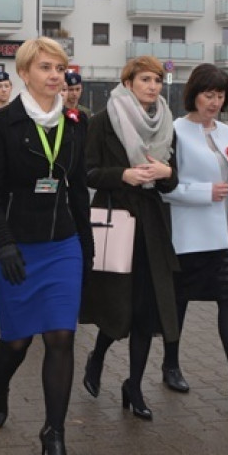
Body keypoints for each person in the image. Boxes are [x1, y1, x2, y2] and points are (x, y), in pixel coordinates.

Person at [0, 37, 93, 455]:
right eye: (46, 68)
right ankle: (0, 385)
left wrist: (87, 250)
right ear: (24, 73)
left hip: (61, 245)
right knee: (18, 341)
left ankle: (54, 434)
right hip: (14, 246)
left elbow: (78, 190)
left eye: (60, 69)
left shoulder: (77, 123)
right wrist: (3, 242)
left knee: (61, 337)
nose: (55, 76)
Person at [160, 64, 228, 410]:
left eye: (220, 95)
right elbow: (163, 187)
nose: (214, 101)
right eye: (209, 94)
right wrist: (203, 191)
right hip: (190, 237)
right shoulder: (174, 131)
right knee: (179, 303)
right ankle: (171, 364)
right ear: (194, 93)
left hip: (227, 237)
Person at [79, 56, 179, 421]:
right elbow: (87, 172)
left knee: (146, 313)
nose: (153, 86)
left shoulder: (167, 122)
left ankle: (133, 386)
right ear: (129, 82)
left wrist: (165, 172)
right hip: (117, 219)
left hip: (152, 225)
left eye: (158, 80)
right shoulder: (104, 121)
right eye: (146, 79)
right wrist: (123, 174)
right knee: (118, 306)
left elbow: (173, 179)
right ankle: (98, 356)